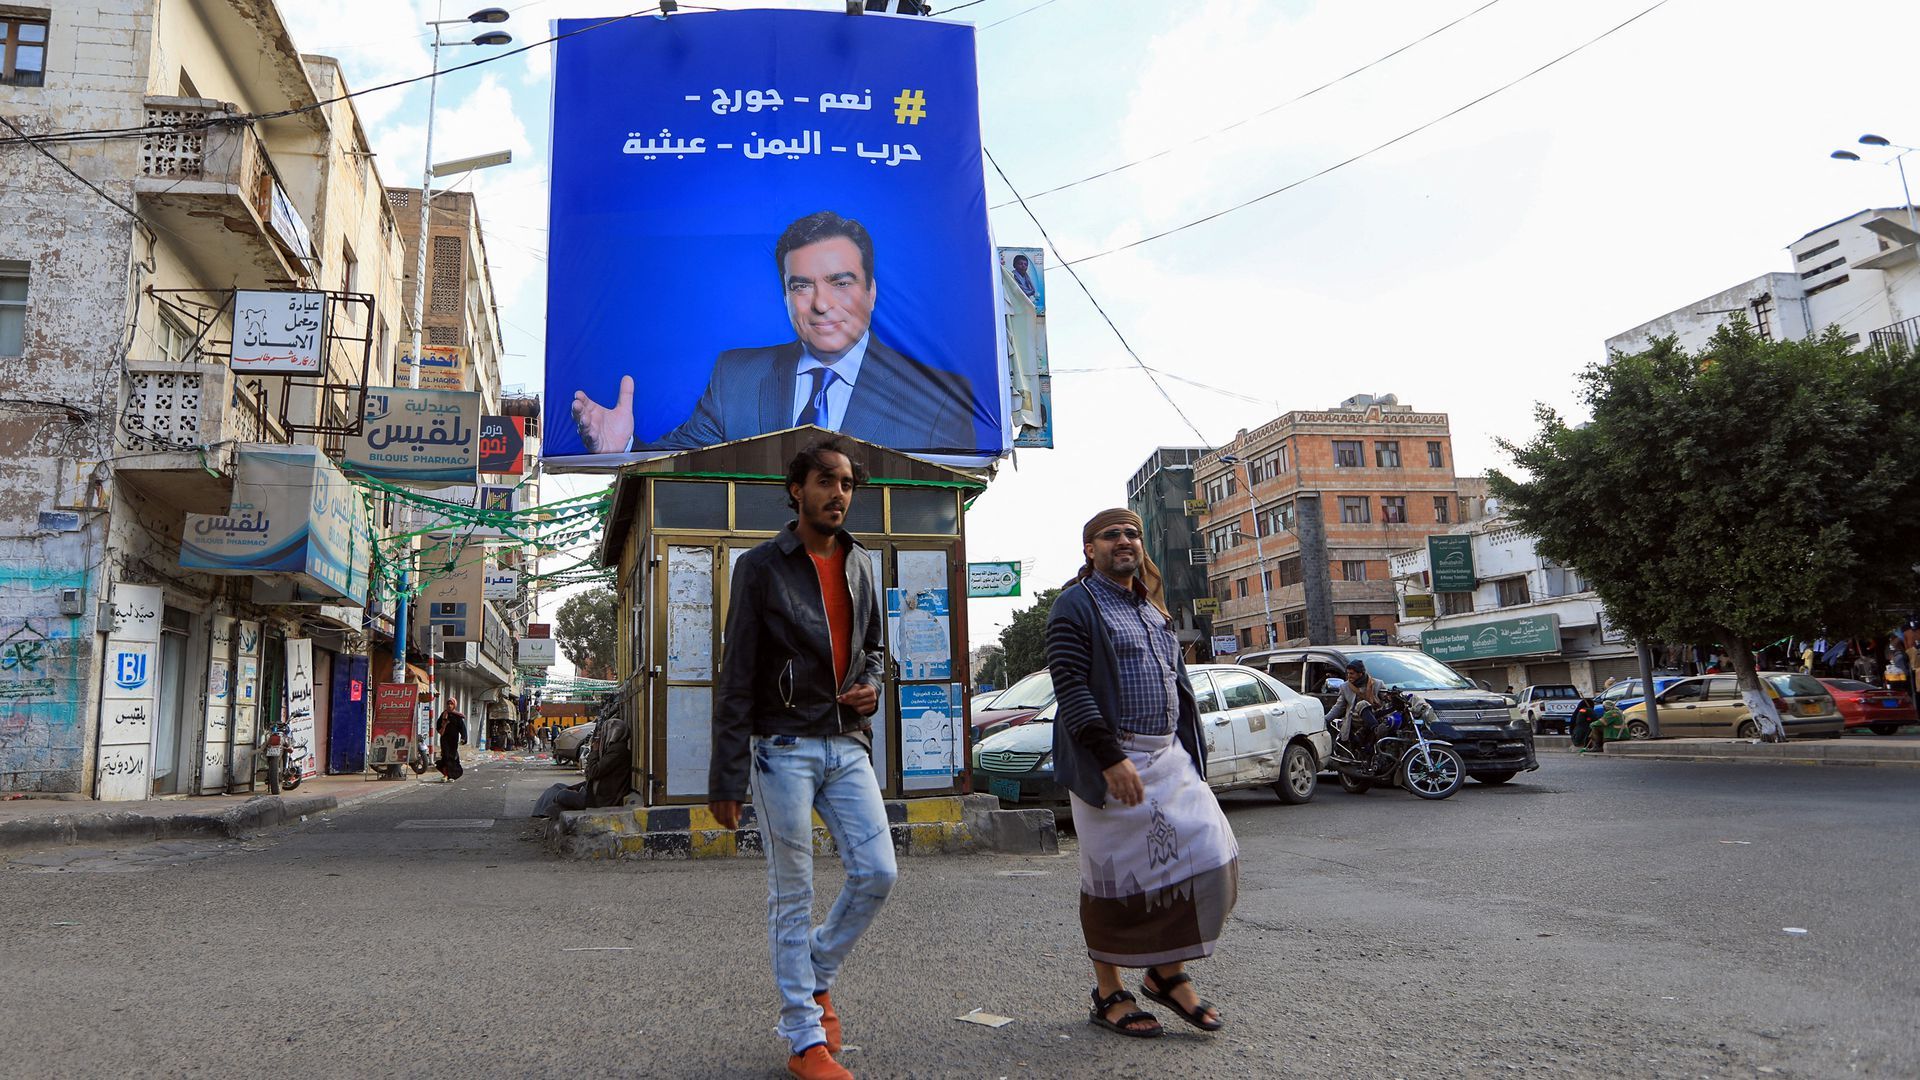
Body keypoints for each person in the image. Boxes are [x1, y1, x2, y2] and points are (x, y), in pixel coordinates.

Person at [708, 436, 894, 1080]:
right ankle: (804, 1038)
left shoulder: (863, 564)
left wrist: (874, 682)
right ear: (798, 490)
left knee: (878, 872)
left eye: (846, 484)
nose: (838, 493)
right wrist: (727, 773)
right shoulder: (761, 566)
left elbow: (874, 648)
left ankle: (817, 969)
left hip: (846, 741)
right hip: (780, 745)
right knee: (794, 891)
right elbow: (737, 674)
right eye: (826, 482)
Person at [1047, 508, 1238, 1041]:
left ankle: (1162, 971)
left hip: (1167, 756)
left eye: (1132, 533)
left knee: (1211, 854)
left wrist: (1189, 752)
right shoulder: (1076, 605)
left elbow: (1178, 688)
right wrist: (1109, 757)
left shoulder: (1154, 610)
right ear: (1090, 549)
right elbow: (1071, 686)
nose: (1124, 541)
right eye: (1111, 535)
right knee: (1111, 880)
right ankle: (1109, 992)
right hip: (1108, 760)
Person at [571, 210, 979, 457]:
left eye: (840, 282)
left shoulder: (939, 400)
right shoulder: (737, 376)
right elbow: (678, 464)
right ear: (785, 295)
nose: (821, 304)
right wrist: (621, 450)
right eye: (801, 286)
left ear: (871, 292)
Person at [533, 713, 633, 818]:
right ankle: (541, 813)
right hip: (596, 794)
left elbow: (593, 772)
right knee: (557, 788)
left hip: (601, 800)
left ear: (614, 733)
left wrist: (594, 752)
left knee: (560, 794)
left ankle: (542, 813)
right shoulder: (613, 750)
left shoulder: (617, 751)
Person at [436, 701, 467, 782]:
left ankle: (451, 776)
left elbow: (462, 728)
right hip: (444, 739)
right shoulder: (443, 715)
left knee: (452, 757)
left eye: (451, 704)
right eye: (448, 704)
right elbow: (438, 726)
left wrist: (463, 738)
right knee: (445, 756)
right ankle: (446, 775)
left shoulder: (457, 716)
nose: (449, 705)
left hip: (453, 740)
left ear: (454, 705)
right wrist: (444, 725)